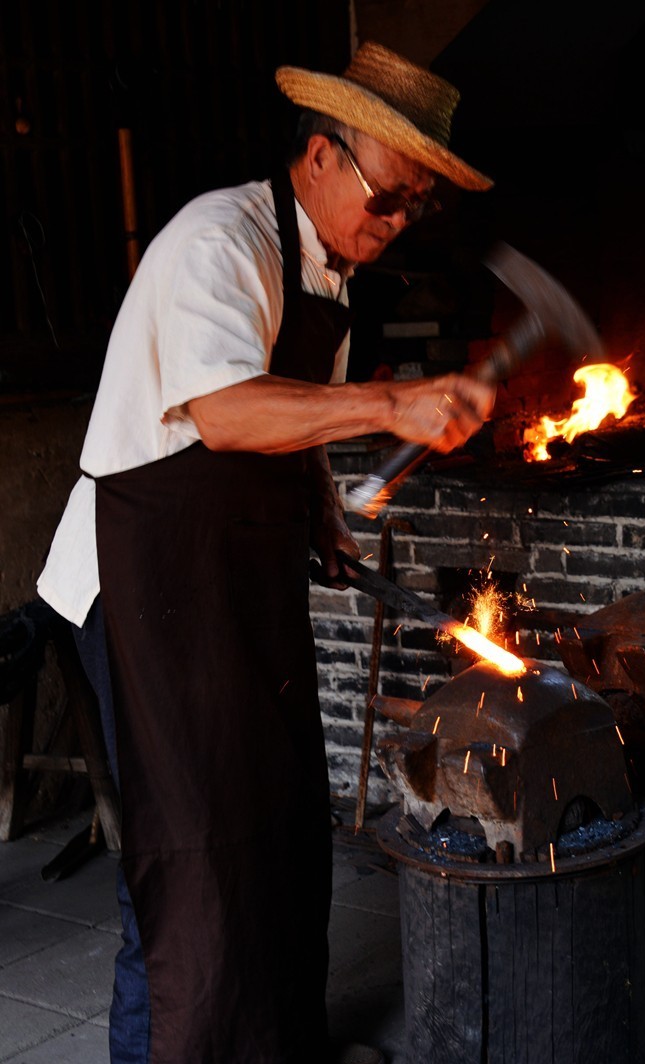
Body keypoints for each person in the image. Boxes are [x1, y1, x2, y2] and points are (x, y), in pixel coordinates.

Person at [37, 40, 495, 1064]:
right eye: (388, 197)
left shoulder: (324, 270)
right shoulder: (220, 240)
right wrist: (390, 400)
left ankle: (277, 1042)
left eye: (415, 207)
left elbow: (294, 428)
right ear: (323, 153)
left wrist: (322, 510)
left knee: (280, 825)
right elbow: (228, 409)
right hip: (144, 582)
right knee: (186, 859)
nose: (395, 223)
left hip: (236, 578)